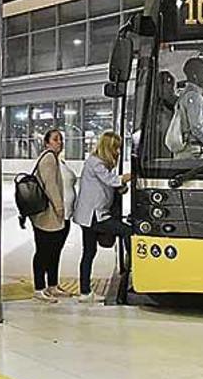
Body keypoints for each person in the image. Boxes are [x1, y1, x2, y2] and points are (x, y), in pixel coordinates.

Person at [73, 131, 132, 303]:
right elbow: (111, 181)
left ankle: (85, 292)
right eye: (116, 148)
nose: (118, 152)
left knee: (89, 252)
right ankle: (133, 265)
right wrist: (128, 177)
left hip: (93, 215)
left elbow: (109, 186)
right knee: (127, 231)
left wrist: (120, 187)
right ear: (108, 147)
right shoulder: (95, 162)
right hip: (94, 216)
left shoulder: (101, 164)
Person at [28, 129, 76, 303]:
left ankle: (53, 285)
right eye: (55, 139)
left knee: (54, 251)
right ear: (47, 143)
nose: (59, 142)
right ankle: (39, 288)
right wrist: (59, 208)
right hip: (49, 216)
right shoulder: (48, 158)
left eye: (61, 139)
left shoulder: (57, 160)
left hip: (59, 217)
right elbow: (51, 186)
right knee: (43, 252)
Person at [166, 58, 203, 158]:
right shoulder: (193, 97)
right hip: (193, 154)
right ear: (195, 76)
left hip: (188, 153)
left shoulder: (186, 95)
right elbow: (198, 129)